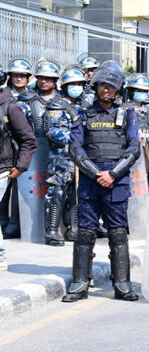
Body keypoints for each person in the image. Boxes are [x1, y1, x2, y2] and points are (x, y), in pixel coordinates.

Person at [63, 63, 141, 302]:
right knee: (85, 232)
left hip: (116, 182)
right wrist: (97, 173)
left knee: (118, 233)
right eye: (101, 86)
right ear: (95, 87)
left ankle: (122, 284)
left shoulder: (128, 114)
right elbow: (75, 148)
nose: (105, 90)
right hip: (90, 181)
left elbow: (134, 148)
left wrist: (113, 174)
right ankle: (79, 283)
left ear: (117, 89)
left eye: (110, 86)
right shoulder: (83, 114)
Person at [0, 68, 37, 270]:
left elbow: (28, 140)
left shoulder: (10, 108)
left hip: (2, 168)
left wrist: (21, 166)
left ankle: (0, 256)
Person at [47, 65, 88, 243]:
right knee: (58, 191)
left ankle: (73, 228)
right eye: (73, 84)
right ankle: (52, 230)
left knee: (75, 192)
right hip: (61, 157)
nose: (76, 87)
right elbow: (52, 131)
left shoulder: (83, 105)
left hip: (78, 156)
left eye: (79, 84)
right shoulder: (57, 104)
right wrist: (74, 136)